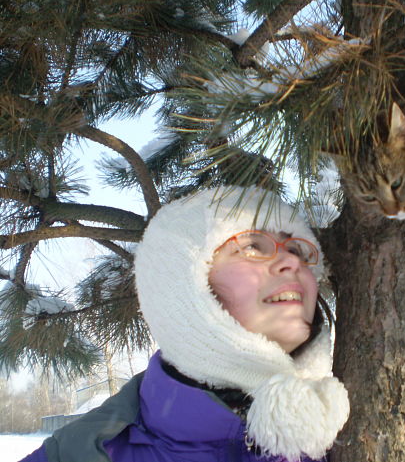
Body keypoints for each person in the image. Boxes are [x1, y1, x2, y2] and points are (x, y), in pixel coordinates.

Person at [21, 185, 350, 462]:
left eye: (296, 248)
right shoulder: (79, 453)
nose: (291, 260)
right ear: (184, 284)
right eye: (251, 246)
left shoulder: (349, 422)